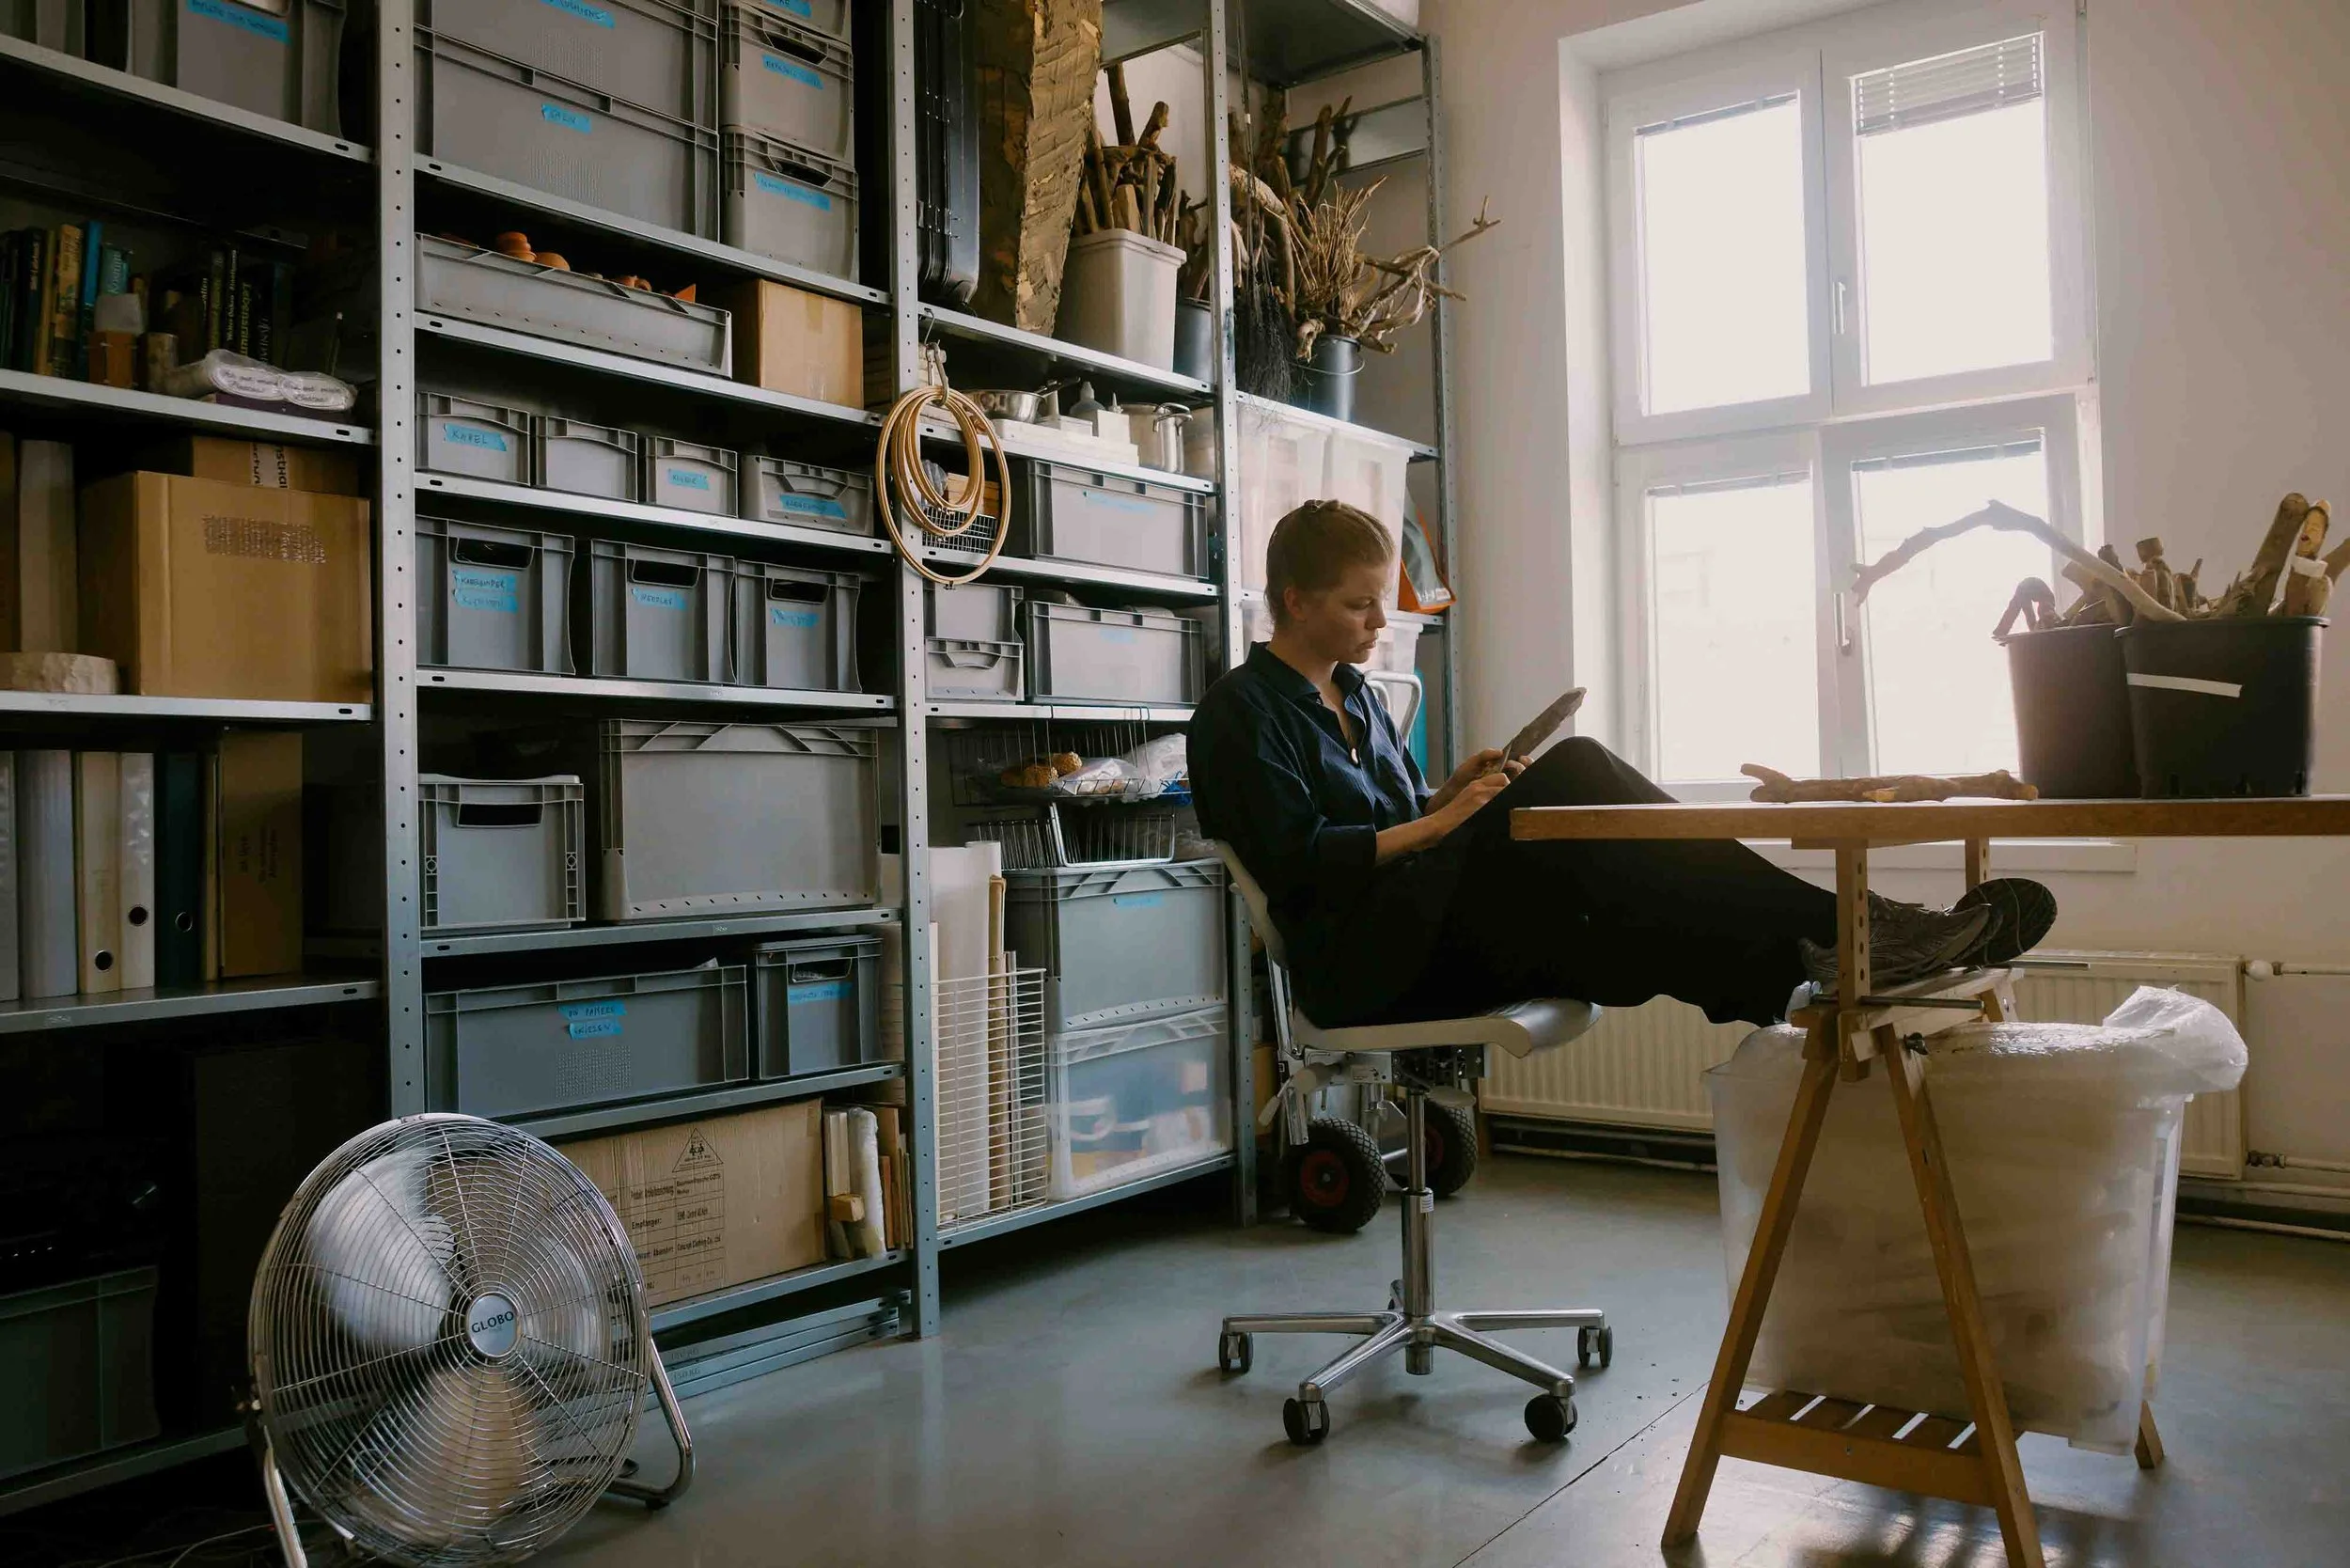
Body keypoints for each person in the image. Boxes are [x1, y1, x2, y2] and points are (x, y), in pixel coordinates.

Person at [1190, 500, 2055, 1030]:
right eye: (1359, 604)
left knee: (1624, 915)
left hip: (1429, 924)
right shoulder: (1240, 713)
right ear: (1295, 601)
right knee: (1580, 771)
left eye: (1385, 600)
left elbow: (1396, 812)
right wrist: (1449, 822)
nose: (1381, 621)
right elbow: (1301, 861)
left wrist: (1448, 792)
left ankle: (1819, 970)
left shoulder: (1362, 696)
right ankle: (1858, 934)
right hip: (1363, 963)